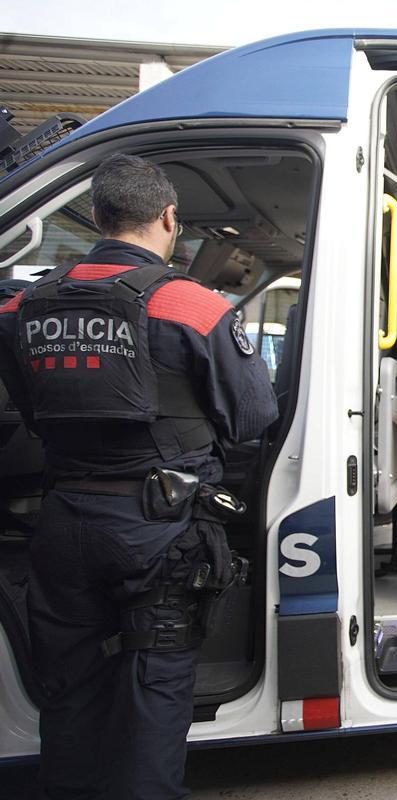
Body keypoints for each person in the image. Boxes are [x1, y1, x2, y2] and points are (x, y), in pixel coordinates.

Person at [0, 153, 278, 799]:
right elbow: (252, 416)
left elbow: (29, 406)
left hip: (64, 520)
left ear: (99, 216)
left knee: (69, 687)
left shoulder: (23, 305)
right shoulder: (190, 305)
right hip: (159, 531)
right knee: (153, 689)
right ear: (168, 218)